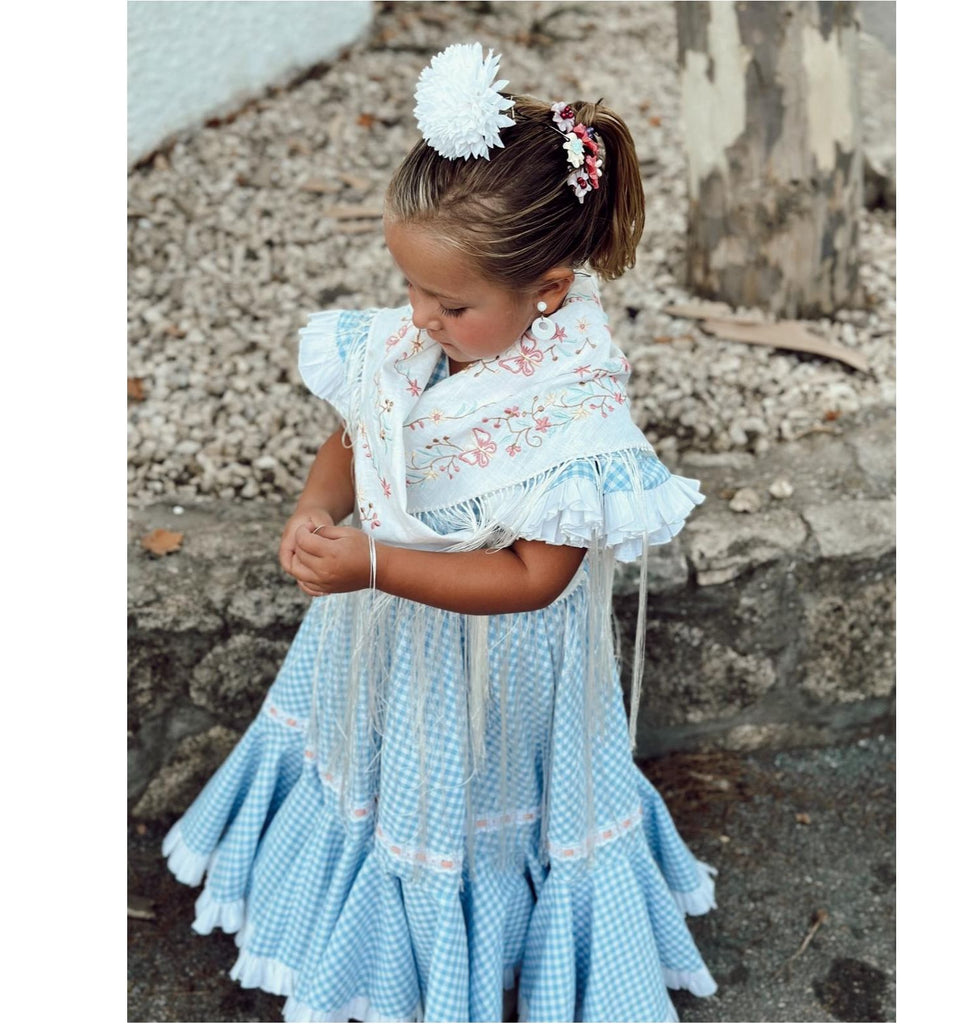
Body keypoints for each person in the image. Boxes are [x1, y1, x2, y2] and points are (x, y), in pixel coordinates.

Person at [163, 42, 717, 1023]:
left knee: (469, 804)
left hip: (496, 669)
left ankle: (476, 946)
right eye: (410, 288)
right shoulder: (429, 330)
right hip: (385, 634)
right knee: (383, 772)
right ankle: (358, 923)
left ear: (545, 288)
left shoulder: (571, 404)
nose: (418, 317)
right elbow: (359, 424)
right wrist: (315, 508)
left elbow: (535, 576)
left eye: (449, 303)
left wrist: (375, 559)